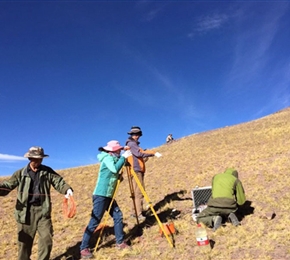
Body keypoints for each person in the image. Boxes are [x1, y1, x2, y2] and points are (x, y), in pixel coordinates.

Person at [0, 146, 73, 260]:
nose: (39, 161)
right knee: (24, 244)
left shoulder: (47, 171)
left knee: (46, 239)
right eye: (36, 159)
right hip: (25, 213)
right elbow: (7, 186)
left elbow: (58, 181)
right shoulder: (20, 173)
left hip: (43, 211)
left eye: (40, 159)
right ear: (30, 158)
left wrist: (67, 190)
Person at [80, 140, 132, 259]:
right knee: (95, 221)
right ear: (112, 151)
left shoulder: (113, 158)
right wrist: (123, 158)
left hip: (109, 195)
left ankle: (120, 242)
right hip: (101, 195)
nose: (120, 151)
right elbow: (114, 169)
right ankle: (83, 248)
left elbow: (113, 174)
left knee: (118, 216)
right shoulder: (107, 159)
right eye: (118, 150)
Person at [125, 126, 162, 221]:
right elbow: (138, 154)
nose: (137, 136)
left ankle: (135, 212)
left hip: (135, 170)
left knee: (136, 192)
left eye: (137, 134)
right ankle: (138, 214)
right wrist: (153, 153)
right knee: (139, 192)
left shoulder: (131, 144)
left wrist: (145, 156)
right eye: (135, 134)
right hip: (136, 171)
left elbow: (137, 157)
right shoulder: (132, 144)